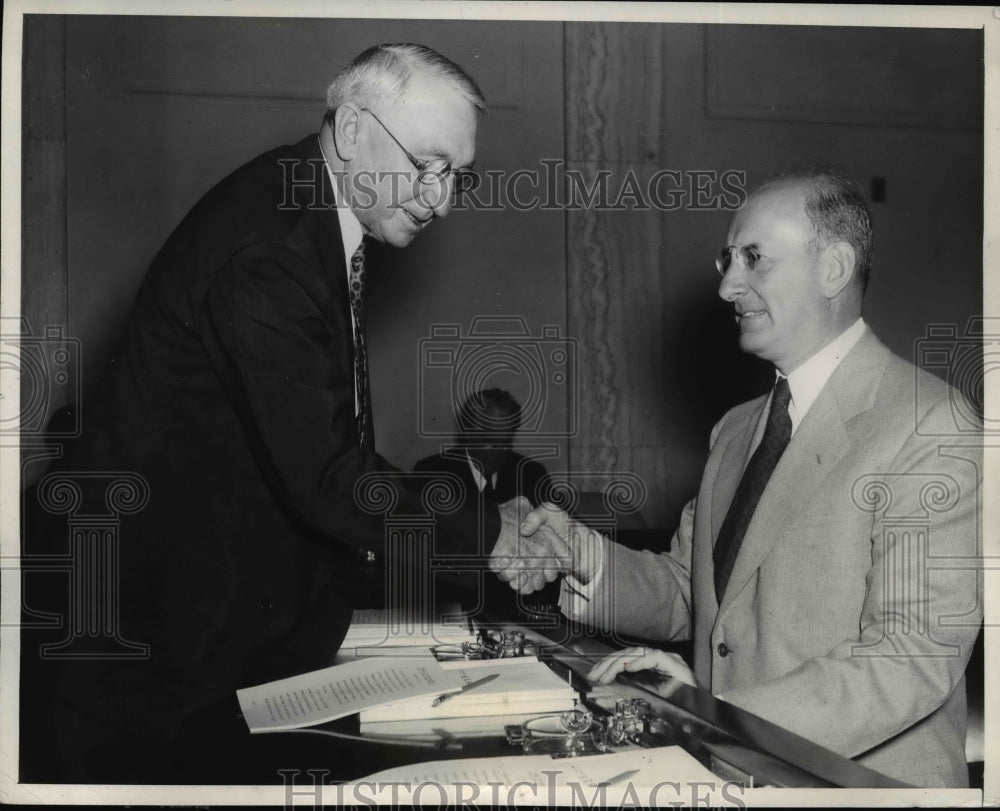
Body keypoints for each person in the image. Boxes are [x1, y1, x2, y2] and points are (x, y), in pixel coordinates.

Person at [25, 43, 541, 782]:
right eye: (427, 165)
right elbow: (329, 475)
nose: (442, 198)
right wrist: (490, 531)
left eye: (457, 175)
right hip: (150, 652)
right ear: (356, 128)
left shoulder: (300, 212)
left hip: (205, 628)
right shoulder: (270, 245)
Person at [493, 168, 982, 787]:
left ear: (833, 268)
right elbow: (693, 595)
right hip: (727, 770)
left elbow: (909, 659)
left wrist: (708, 712)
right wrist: (579, 556)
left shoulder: (930, 426)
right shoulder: (736, 429)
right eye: (728, 259)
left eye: (754, 259)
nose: (727, 285)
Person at [414, 388, 552, 507]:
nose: (497, 453)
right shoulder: (431, 472)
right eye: (489, 441)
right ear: (468, 432)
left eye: (505, 443)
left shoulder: (532, 474)